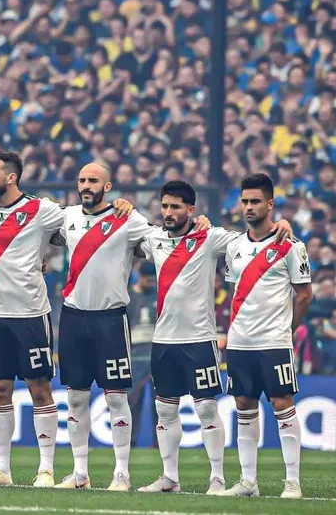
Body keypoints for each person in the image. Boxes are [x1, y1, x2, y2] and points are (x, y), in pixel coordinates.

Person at [0, 151, 130, 487]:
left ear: (11, 177)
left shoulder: (43, 210)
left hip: (32, 314)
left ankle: (46, 470)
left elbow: (87, 220)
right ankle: (1, 470)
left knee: (40, 389)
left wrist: (121, 204)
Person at [133, 181, 293, 494]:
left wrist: (280, 226)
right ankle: (170, 478)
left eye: (176, 207)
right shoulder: (153, 237)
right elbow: (124, 234)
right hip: (163, 339)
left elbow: (251, 240)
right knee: (165, 410)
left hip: (199, 339)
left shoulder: (209, 237)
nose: (168, 212)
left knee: (206, 409)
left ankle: (217, 477)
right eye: (165, 206)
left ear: (191, 210)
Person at [54, 163, 161, 491]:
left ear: (108, 185)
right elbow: (33, 234)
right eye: (82, 180)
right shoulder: (67, 216)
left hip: (110, 319)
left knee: (117, 398)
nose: (86, 185)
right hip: (73, 317)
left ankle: (121, 474)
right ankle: (80, 474)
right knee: (75, 398)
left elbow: (160, 240)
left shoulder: (127, 219)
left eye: (93, 181)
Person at [221, 174, 313, 499]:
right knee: (244, 405)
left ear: (270, 204)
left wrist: (286, 330)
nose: (248, 207)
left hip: (274, 342)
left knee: (282, 403)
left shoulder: (290, 245)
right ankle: (248, 482)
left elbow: (304, 295)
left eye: (255, 201)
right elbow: (235, 292)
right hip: (240, 342)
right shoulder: (233, 246)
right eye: (245, 201)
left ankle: (293, 483)